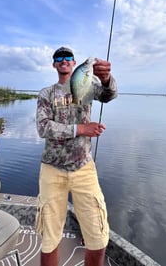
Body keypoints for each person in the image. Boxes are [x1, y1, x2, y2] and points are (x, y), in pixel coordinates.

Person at [36, 46, 118, 266]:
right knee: (49, 238)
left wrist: (107, 78)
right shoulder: (46, 93)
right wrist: (81, 129)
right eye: (58, 58)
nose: (63, 60)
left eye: (68, 58)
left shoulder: (89, 86)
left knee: (97, 235)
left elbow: (110, 95)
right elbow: (43, 128)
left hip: (83, 168)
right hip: (51, 170)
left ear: (74, 64)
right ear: (54, 65)